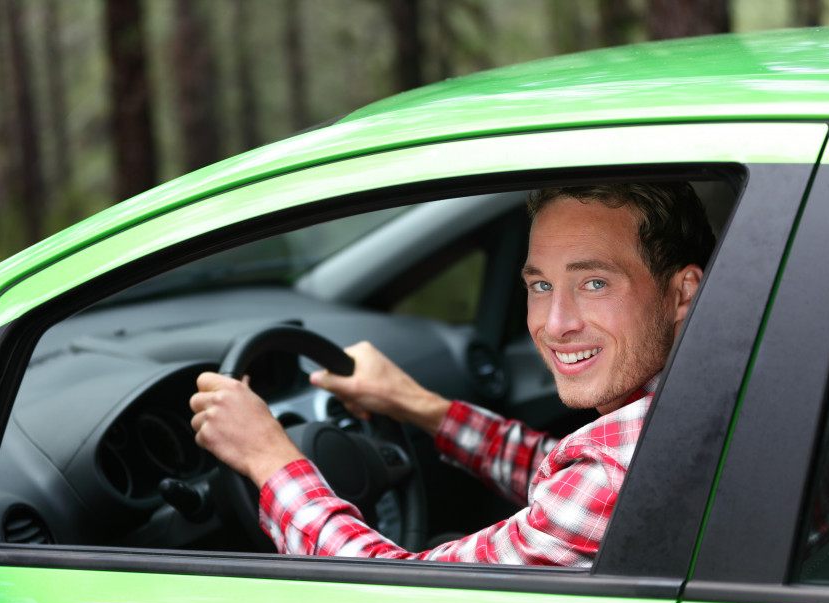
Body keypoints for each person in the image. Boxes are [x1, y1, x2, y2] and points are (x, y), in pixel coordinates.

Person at [190, 183, 715, 566]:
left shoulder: (611, 476)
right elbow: (556, 472)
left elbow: (396, 598)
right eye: (541, 286)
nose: (555, 326)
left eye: (595, 283)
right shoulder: (700, 399)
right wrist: (419, 406)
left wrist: (269, 458)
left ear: (682, 294)